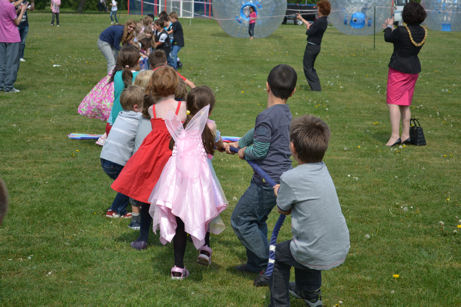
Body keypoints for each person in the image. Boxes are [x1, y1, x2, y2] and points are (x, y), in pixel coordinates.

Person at [269, 115, 350, 307]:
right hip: (337, 244)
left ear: (293, 148)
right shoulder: (323, 168)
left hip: (314, 249)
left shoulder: (290, 177)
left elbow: (283, 209)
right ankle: (310, 295)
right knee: (306, 245)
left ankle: (279, 303)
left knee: (280, 255)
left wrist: (279, 191)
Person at [225, 64, 297, 277]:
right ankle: (256, 264)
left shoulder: (266, 116)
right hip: (280, 179)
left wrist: (244, 151)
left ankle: (268, 263)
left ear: (266, 86)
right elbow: (257, 133)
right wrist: (239, 143)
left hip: (266, 183)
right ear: (293, 92)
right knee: (257, 220)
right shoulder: (285, 113)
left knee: (241, 221)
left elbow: (260, 149)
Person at [149, 86, 228, 279]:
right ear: (209, 110)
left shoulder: (180, 126)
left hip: (176, 180)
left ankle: (177, 267)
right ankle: (204, 249)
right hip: (199, 180)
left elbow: (172, 146)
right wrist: (223, 146)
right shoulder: (210, 126)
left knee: (179, 223)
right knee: (204, 210)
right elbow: (215, 146)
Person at [111, 66, 187, 250]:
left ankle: (143, 236)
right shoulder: (181, 106)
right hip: (174, 152)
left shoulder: (152, 108)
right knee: (177, 195)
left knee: (147, 195)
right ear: (175, 84)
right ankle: (178, 234)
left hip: (153, 154)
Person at [383, 2, 427, 147]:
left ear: (405, 15)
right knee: (405, 103)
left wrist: (388, 26)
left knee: (393, 102)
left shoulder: (402, 31)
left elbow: (388, 37)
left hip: (399, 70)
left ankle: (395, 136)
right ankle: (405, 134)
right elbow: (401, 37)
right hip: (413, 69)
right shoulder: (422, 31)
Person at [100, 85, 144, 224]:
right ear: (136, 107)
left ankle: (122, 208)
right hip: (116, 160)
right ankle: (115, 210)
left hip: (106, 157)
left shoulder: (122, 115)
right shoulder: (138, 119)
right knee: (129, 184)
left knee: (127, 184)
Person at [106, 44, 140, 134]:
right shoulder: (140, 76)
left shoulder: (117, 75)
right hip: (132, 120)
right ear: (138, 60)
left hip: (115, 118)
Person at [296, 0, 330, 91]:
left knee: (307, 67)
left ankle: (316, 88)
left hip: (312, 47)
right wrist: (301, 18)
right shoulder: (323, 21)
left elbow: (309, 32)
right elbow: (311, 26)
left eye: (318, 8)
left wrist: (308, 28)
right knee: (310, 67)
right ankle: (316, 86)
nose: (317, 9)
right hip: (315, 47)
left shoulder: (319, 21)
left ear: (322, 9)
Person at [0, 0, 27, 93]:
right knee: (12, 63)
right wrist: (23, 10)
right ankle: (9, 86)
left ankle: (1, 84)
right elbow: (17, 22)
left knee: (2, 63)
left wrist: (17, 10)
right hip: (12, 37)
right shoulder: (9, 6)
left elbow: (9, 16)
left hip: (2, 37)